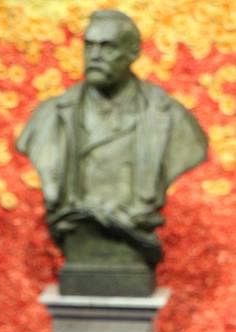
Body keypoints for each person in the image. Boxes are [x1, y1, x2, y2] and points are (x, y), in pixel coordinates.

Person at [16, 9, 208, 295]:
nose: (95, 55)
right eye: (89, 46)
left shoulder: (170, 119)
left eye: (107, 47)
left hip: (132, 257)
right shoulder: (50, 117)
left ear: (132, 54)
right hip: (77, 250)